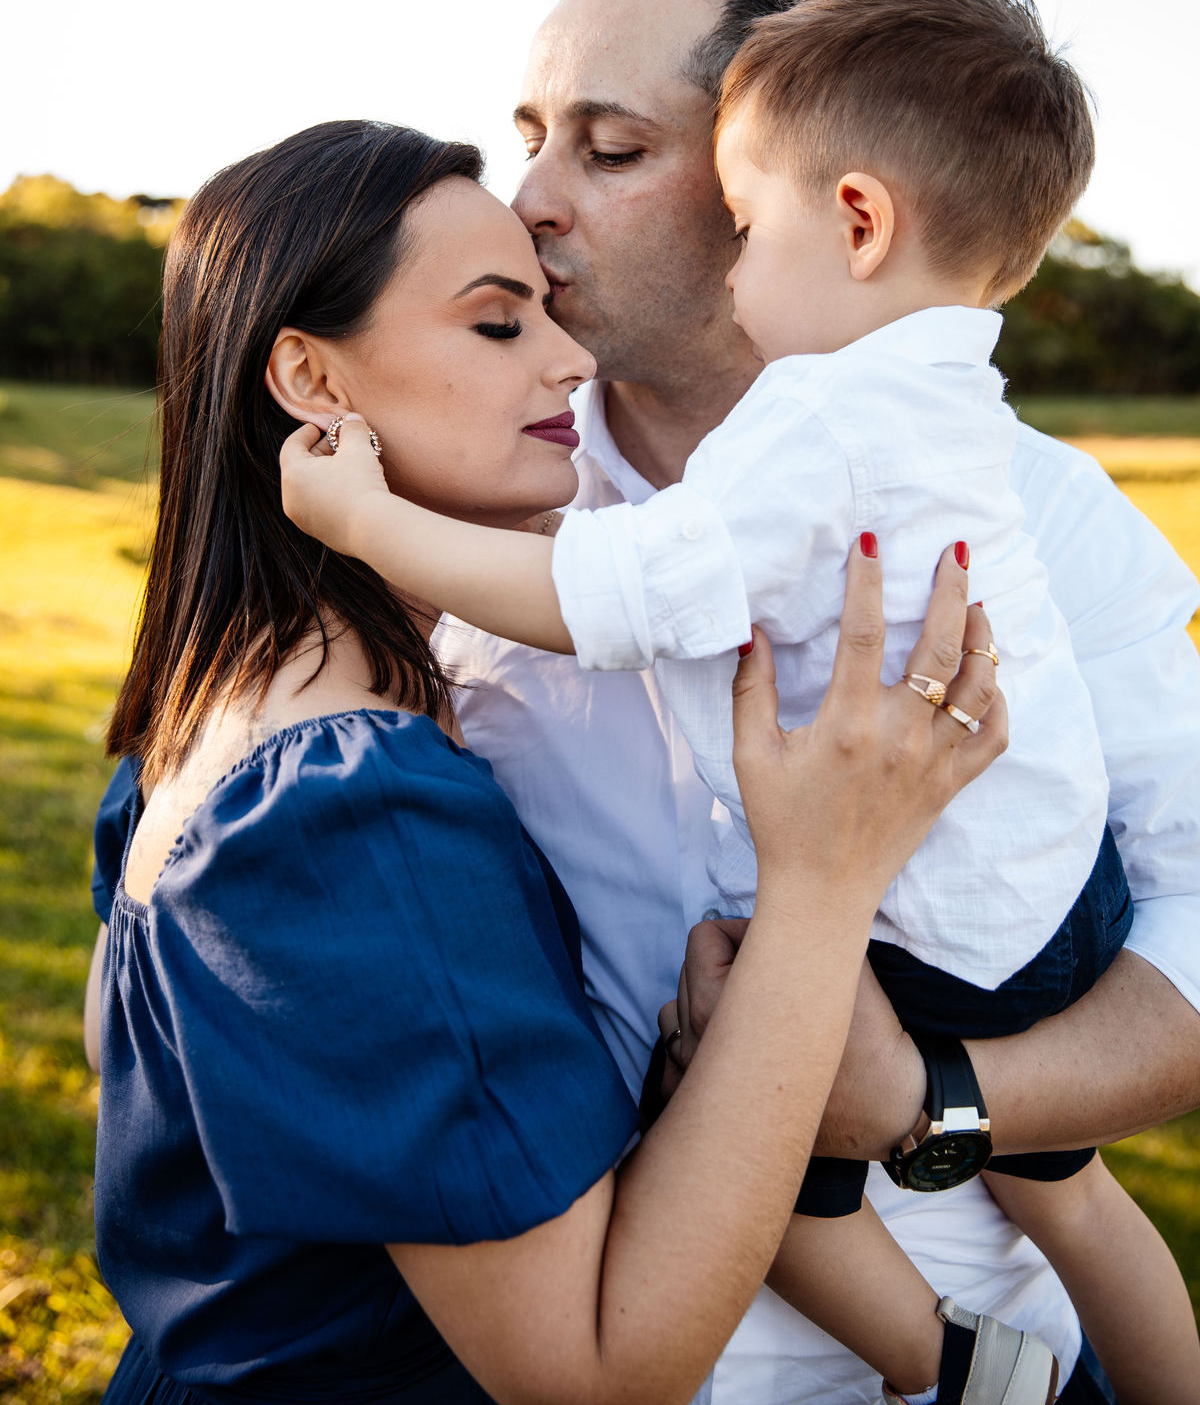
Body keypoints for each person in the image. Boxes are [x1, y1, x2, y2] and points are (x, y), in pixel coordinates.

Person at [276, 0, 1200, 1404]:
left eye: (614, 147)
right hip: (574, 1341)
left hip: (979, 1333)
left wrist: (932, 1103)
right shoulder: (469, 490)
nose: (529, 198)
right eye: (527, 134)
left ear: (813, 197)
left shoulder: (1045, 521)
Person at [86, 117, 1009, 1405]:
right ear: (312, 379)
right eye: (498, 323)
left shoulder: (236, 704)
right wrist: (824, 883)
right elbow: (593, 1374)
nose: (571, 360)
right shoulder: (346, 808)